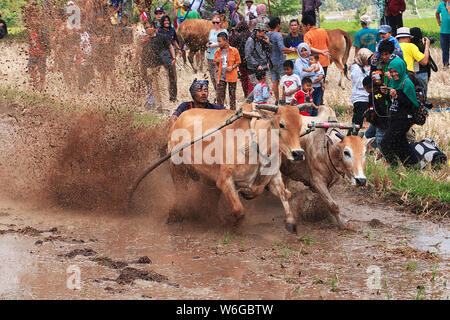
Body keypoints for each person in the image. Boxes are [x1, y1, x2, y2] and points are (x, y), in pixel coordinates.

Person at [380, 57, 419, 167]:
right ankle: (412, 165)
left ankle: (393, 166)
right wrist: (385, 94)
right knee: (400, 143)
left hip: (403, 119)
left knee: (385, 143)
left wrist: (397, 96)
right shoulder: (392, 82)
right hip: (394, 117)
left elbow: (412, 104)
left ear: (401, 69)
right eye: (391, 71)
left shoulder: (407, 83)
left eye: (395, 71)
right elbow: (391, 102)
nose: (393, 74)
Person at [396, 27, 431, 100]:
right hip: (408, 77)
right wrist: (427, 46)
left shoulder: (392, 46)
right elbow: (424, 62)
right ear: (408, 37)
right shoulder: (411, 46)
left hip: (394, 77)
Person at [267, 16, 293, 105]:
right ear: (278, 25)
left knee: (275, 82)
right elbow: (282, 48)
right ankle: (283, 99)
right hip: (280, 61)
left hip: (270, 62)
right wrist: (291, 50)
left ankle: (277, 100)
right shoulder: (277, 35)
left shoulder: (267, 34)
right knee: (284, 80)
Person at [214, 32, 241, 110]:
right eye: (217, 41)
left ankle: (233, 113)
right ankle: (220, 112)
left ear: (225, 41)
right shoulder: (218, 52)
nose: (218, 43)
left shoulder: (234, 50)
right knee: (220, 97)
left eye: (219, 41)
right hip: (221, 77)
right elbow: (215, 63)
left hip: (232, 77)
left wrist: (232, 67)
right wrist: (217, 61)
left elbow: (238, 62)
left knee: (232, 96)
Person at [349, 48, 373, 135]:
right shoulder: (355, 68)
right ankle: (351, 136)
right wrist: (370, 83)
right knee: (357, 121)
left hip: (367, 96)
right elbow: (359, 83)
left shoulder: (364, 67)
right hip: (360, 98)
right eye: (367, 59)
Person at [26, 9, 50, 92]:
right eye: (32, 19)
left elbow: (48, 42)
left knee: (41, 70)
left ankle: (42, 86)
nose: (34, 21)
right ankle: (35, 83)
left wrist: (46, 52)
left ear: (38, 20)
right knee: (30, 67)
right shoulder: (30, 30)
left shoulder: (43, 30)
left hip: (41, 53)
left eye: (35, 19)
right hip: (33, 52)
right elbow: (30, 41)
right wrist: (30, 49)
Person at [363, 76, 389, 150]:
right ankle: (374, 145)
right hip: (379, 120)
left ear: (367, 88)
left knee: (380, 140)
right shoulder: (381, 91)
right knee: (368, 134)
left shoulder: (372, 96)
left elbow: (372, 109)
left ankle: (382, 152)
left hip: (380, 121)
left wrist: (369, 115)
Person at [301, 14, 330, 80]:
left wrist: (320, 52)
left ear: (308, 25)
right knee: (322, 80)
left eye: (304, 26)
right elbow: (328, 44)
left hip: (313, 62)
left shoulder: (307, 35)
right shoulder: (323, 31)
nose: (304, 28)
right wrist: (322, 51)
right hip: (325, 60)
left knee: (313, 82)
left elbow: (308, 48)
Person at [158, 15, 179, 102]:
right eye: (165, 21)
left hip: (172, 54)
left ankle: (173, 97)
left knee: (173, 77)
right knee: (165, 77)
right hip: (164, 54)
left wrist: (179, 49)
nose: (166, 22)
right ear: (162, 22)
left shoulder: (172, 30)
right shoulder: (160, 31)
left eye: (168, 20)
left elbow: (174, 40)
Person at [230, 21, 254, 97]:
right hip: (251, 59)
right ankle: (250, 95)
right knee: (250, 78)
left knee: (244, 78)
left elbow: (232, 46)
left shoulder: (238, 36)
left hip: (241, 59)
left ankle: (246, 94)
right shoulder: (252, 35)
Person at [410, 27, 434, 99]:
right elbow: (428, 62)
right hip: (423, 73)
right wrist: (428, 74)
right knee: (423, 96)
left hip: (411, 74)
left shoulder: (410, 47)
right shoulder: (423, 47)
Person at [207, 14, 228, 91]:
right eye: (214, 22)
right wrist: (208, 44)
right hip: (210, 56)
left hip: (219, 57)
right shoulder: (211, 31)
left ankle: (220, 95)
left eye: (217, 22)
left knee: (218, 77)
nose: (215, 24)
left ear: (221, 22)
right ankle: (217, 93)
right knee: (212, 77)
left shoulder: (224, 31)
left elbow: (225, 43)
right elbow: (210, 40)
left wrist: (215, 44)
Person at [436, 0, 450, 68]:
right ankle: (446, 64)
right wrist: (439, 22)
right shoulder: (441, 5)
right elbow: (437, 13)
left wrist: (448, 9)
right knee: (445, 50)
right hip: (443, 32)